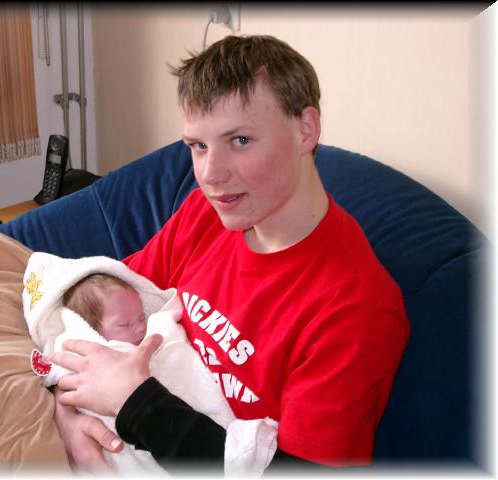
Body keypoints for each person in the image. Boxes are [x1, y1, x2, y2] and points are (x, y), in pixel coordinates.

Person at [49, 34, 410, 474]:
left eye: (239, 140)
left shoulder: (355, 309)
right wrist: (65, 409)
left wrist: (134, 403)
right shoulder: (209, 212)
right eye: (198, 146)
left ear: (305, 130)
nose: (209, 174)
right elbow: (97, 311)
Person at [22, 252, 278, 475]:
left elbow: (164, 316)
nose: (139, 328)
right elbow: (55, 369)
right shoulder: (84, 331)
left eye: (141, 317)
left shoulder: (154, 326)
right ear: (89, 327)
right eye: (124, 324)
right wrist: (64, 412)